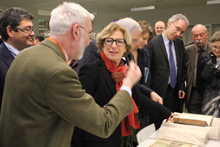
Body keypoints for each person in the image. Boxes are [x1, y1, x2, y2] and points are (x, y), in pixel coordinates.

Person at [0, 2, 143, 147]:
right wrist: (127, 86)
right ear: (75, 31)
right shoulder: (59, 72)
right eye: (89, 34)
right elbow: (103, 124)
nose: (89, 41)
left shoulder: (25, 55)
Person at [72, 22, 174, 147]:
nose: (113, 46)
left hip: (116, 138)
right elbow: (80, 113)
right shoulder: (91, 71)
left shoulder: (123, 72)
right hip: (95, 140)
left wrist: (168, 113)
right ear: (102, 44)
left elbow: (139, 99)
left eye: (119, 42)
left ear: (126, 47)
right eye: (109, 41)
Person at [146, 14, 189, 129]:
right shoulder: (152, 44)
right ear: (169, 24)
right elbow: (148, 72)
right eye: (178, 29)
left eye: (182, 32)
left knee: (175, 124)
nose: (179, 34)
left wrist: (181, 86)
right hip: (158, 94)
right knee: (159, 126)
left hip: (176, 93)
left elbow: (182, 68)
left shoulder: (179, 44)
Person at [0, 7, 35, 112]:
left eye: (32, 29)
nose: (32, 34)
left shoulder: (32, 56)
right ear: (10, 31)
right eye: (26, 29)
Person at [185, 24, 212, 114]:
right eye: (195, 36)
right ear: (192, 37)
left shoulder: (214, 49)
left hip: (210, 92)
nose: (198, 38)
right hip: (194, 92)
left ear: (207, 35)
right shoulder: (187, 51)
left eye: (201, 35)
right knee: (194, 120)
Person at [201, 31, 220, 118]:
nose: (217, 50)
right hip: (210, 95)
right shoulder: (206, 59)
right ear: (211, 44)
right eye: (215, 47)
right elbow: (203, 78)